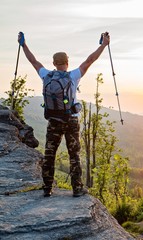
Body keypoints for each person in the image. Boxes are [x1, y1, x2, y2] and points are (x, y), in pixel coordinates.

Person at [18, 32, 110, 197]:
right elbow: (90, 60)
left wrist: (23, 44)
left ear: (54, 63)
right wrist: (103, 45)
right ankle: (77, 188)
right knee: (74, 154)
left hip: (53, 121)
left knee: (50, 154)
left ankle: (47, 188)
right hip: (71, 121)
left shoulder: (46, 75)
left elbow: (33, 61)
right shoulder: (73, 76)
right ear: (67, 62)